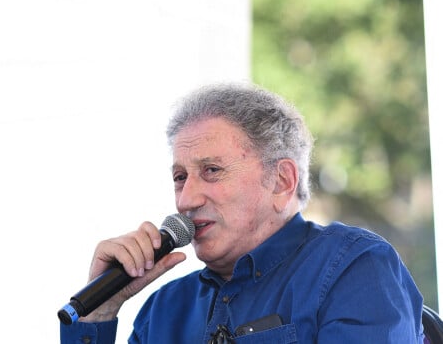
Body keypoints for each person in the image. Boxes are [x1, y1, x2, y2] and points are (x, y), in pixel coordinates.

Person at [60, 83, 425, 342]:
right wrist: (99, 315)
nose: (186, 199)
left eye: (212, 171)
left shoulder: (354, 266)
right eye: (180, 177)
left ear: (281, 181)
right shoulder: (163, 310)